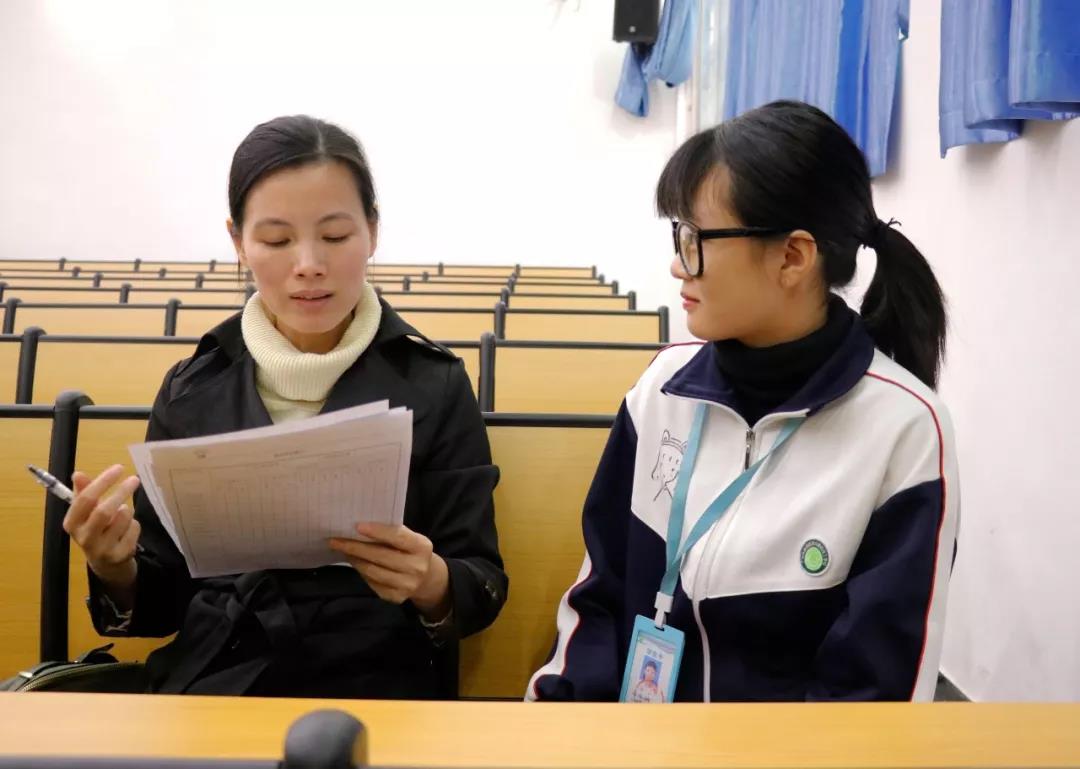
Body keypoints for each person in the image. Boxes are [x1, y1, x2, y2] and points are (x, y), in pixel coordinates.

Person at [527, 100, 959, 703]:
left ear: (793, 257)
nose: (677, 264)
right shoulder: (663, 386)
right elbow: (599, 591)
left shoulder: (902, 429)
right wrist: (566, 724)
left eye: (695, 239)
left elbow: (871, 698)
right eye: (678, 235)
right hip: (629, 742)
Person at [62, 115, 507, 698]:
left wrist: (430, 581)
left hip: (379, 684)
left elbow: (481, 580)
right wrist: (115, 566)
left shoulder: (434, 382)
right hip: (219, 678)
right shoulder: (193, 388)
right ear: (238, 241)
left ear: (372, 231)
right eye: (276, 240)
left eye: (336, 236)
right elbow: (165, 598)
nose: (308, 264)